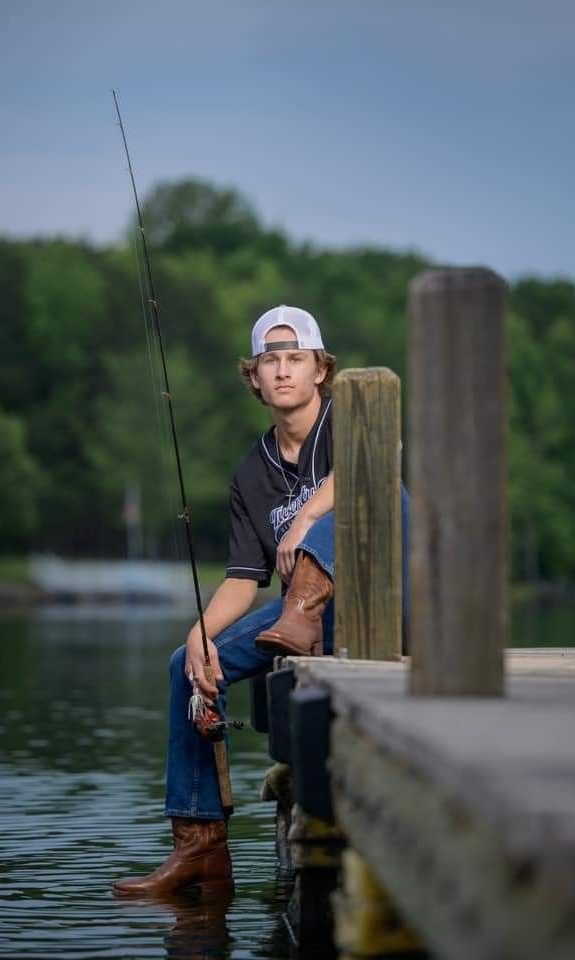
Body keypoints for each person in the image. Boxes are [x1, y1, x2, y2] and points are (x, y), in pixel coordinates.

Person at [113, 305, 408, 898]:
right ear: (254, 378)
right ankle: (200, 847)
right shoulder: (251, 471)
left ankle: (302, 615)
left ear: (319, 370)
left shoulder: (350, 419)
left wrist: (305, 517)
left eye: (295, 359)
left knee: (363, 498)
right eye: (269, 361)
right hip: (302, 617)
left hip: (389, 596)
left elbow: (374, 472)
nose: (282, 372)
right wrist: (199, 635)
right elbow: (244, 579)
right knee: (184, 665)